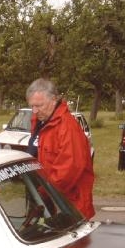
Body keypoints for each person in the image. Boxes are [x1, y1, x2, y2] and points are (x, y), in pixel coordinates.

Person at [25, 78, 95, 219]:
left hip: (69, 206)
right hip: (50, 200)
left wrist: (42, 192)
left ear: (54, 100)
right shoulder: (41, 121)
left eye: (39, 105)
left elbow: (68, 171)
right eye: (32, 106)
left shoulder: (67, 128)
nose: (35, 111)